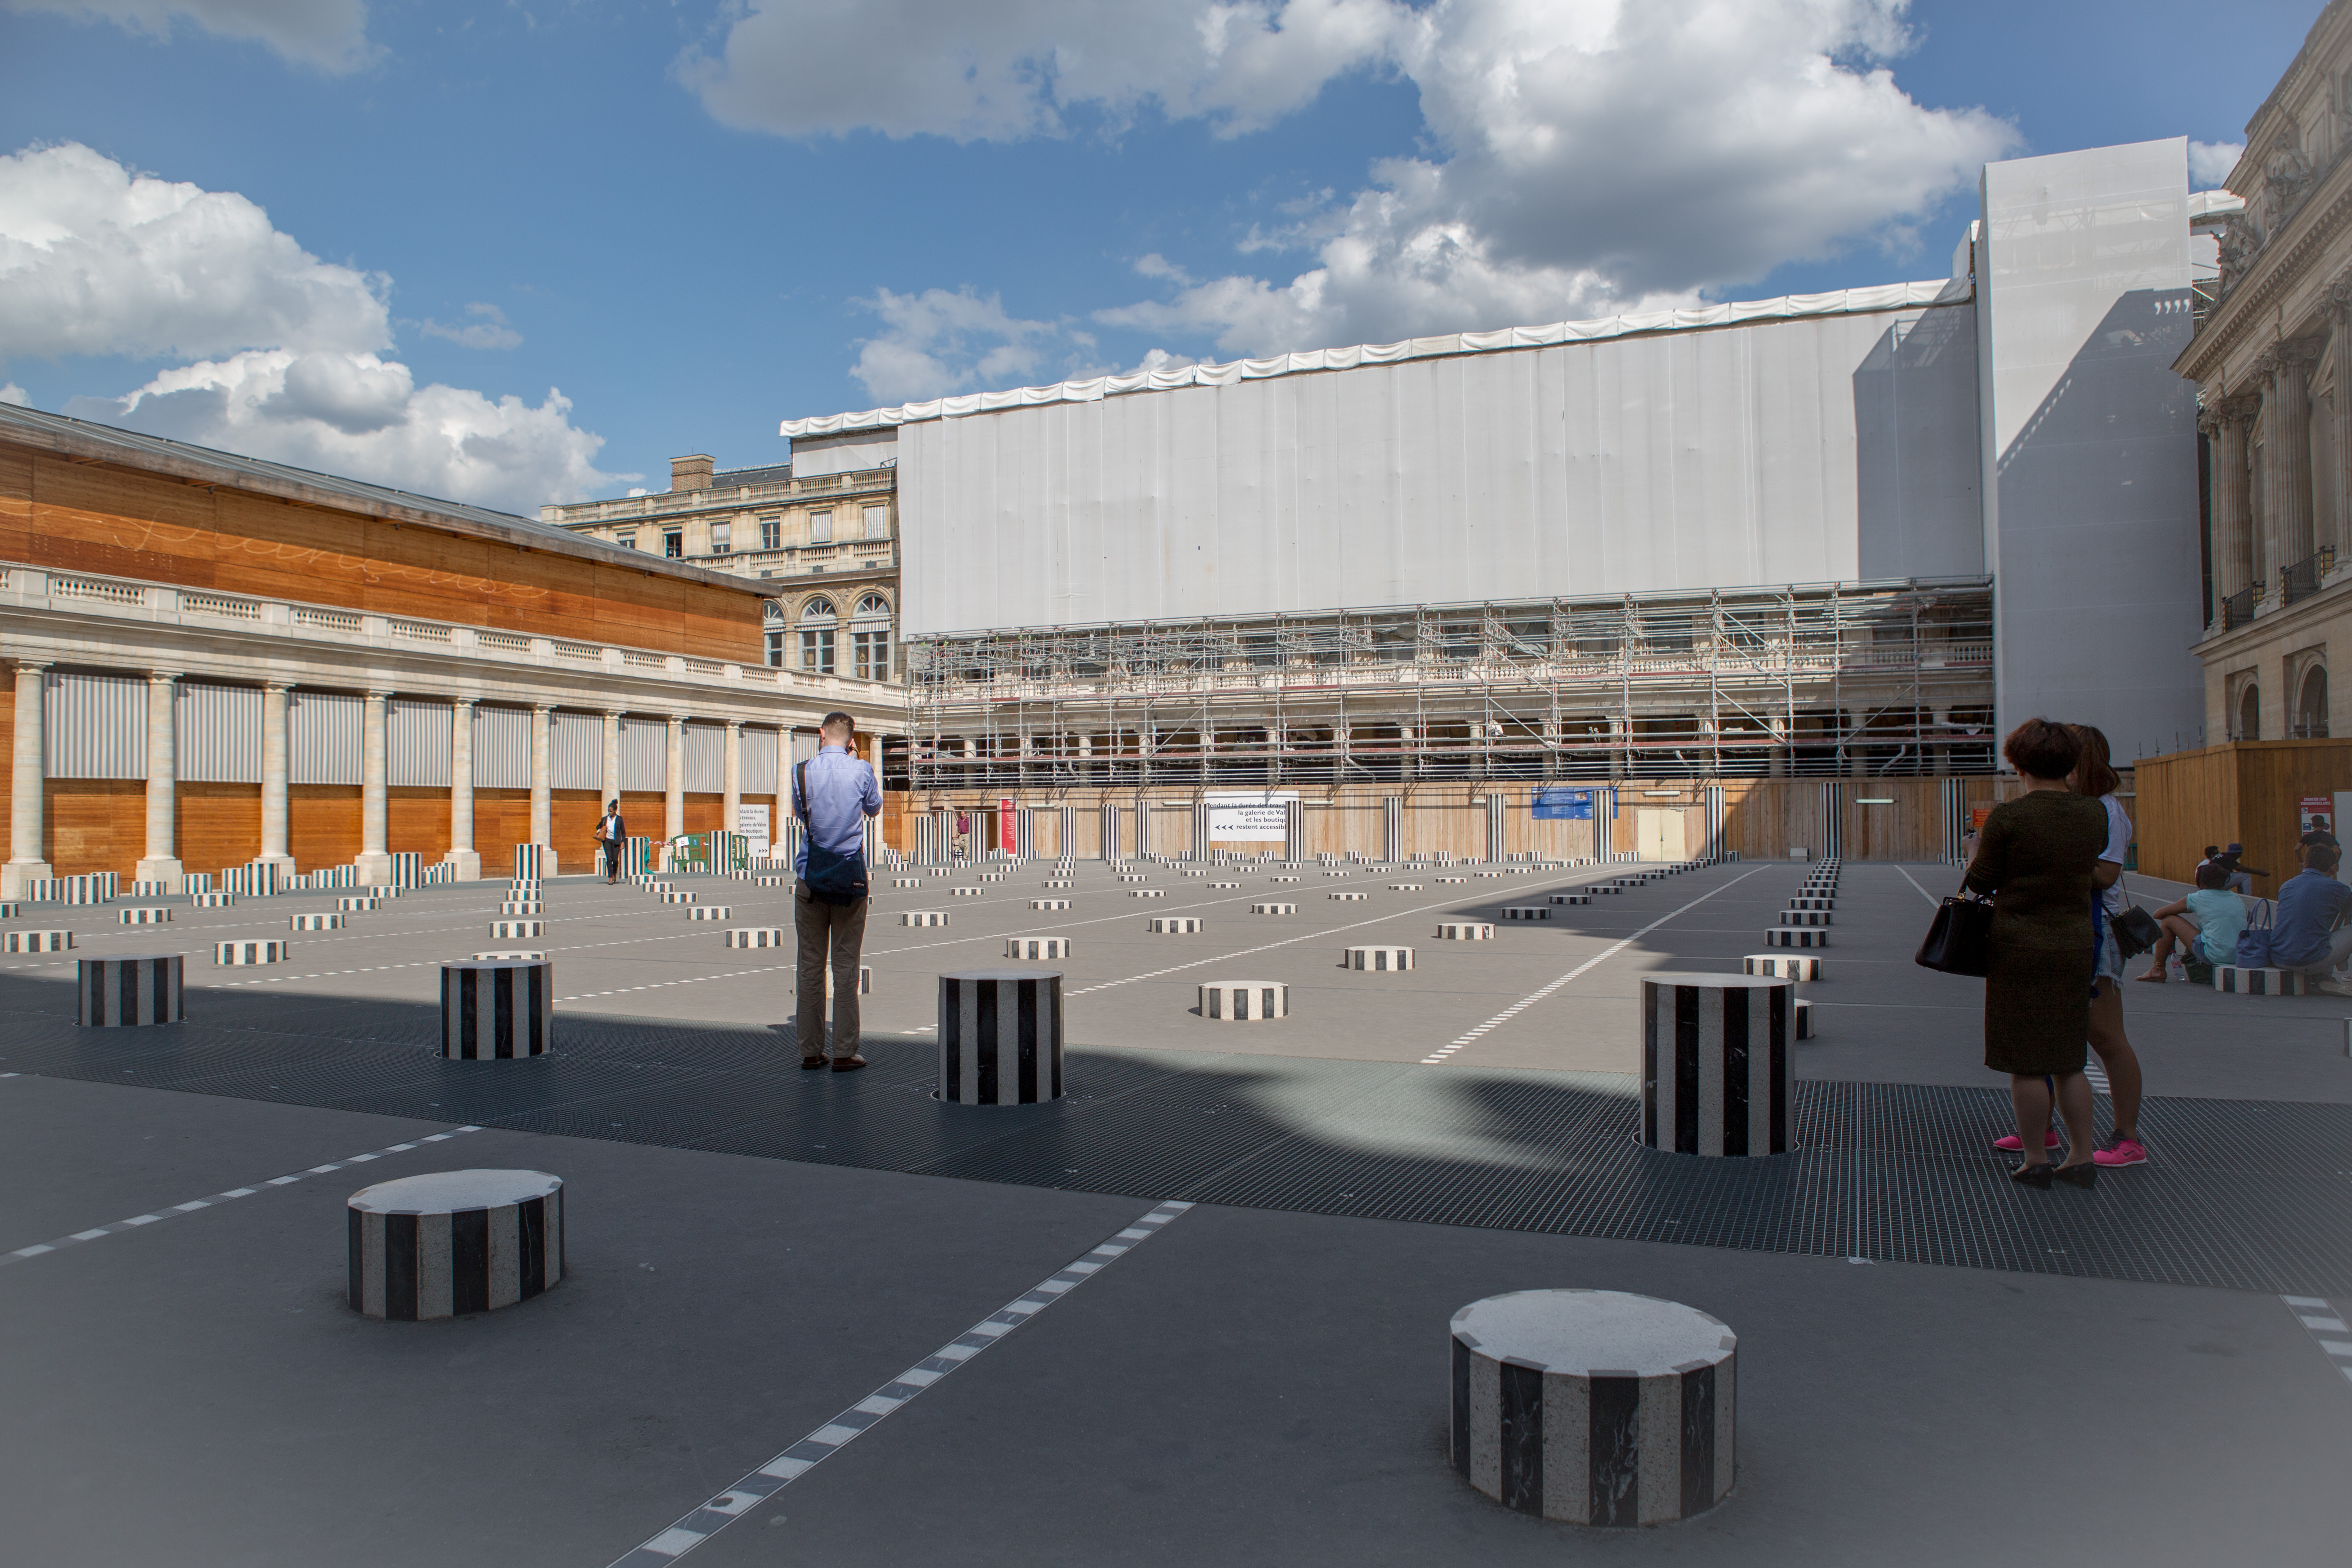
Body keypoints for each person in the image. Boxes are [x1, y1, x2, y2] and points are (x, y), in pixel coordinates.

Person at [1961, 718, 2109, 1188]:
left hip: (2018, 946)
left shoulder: (2009, 818)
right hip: (2074, 944)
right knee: (2069, 1059)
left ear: (2019, 764)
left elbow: (1980, 882)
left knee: (2026, 1062)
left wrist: (1973, 850)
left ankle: (2035, 1159)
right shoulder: (2094, 814)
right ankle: (2082, 1156)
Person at [793, 712, 882, 1071]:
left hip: (810, 879)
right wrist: (855, 760)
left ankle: (810, 1051)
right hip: (849, 880)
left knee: (810, 966)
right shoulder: (861, 770)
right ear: (851, 740)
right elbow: (874, 808)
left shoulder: (802, 772)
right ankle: (845, 1051)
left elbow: (801, 813)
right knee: (846, 966)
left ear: (821, 733)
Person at [2135, 862, 2247, 980]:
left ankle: (2158, 969)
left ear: (2201, 883)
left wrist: (2187, 908)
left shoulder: (2198, 897)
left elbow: (2158, 914)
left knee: (2168, 921)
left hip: (2214, 955)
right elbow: (2247, 917)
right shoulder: (2236, 898)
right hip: (2240, 956)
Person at [2273, 841, 2352, 996]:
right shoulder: (2339, 889)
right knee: (2324, 935)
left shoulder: (2287, 885)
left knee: (2314, 931)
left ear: (2305, 864)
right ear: (2333, 867)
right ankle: (2323, 974)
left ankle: (2323, 979)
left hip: (2278, 958)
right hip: (2307, 961)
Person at [595, 800, 627, 884]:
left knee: (615, 860)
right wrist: (599, 830)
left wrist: (623, 842)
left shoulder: (620, 819)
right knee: (609, 859)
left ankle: (615, 873)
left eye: (611, 811)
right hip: (607, 841)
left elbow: (623, 831)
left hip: (616, 842)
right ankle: (610, 877)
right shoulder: (605, 819)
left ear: (615, 811)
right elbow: (598, 826)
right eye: (609, 811)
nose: (609, 813)